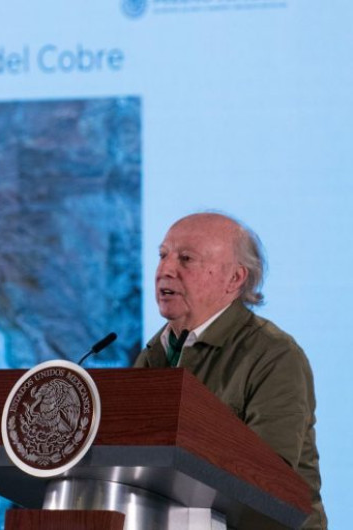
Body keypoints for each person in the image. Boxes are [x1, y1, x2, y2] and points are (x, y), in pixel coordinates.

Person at [134, 212, 327, 529]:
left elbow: (268, 477)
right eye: (163, 255)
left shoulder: (273, 354)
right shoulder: (154, 354)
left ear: (235, 278)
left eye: (186, 259)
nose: (165, 270)